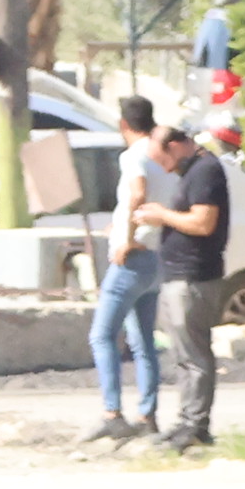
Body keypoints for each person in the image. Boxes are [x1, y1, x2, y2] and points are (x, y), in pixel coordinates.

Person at [130, 111, 233, 451]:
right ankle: (186, 422)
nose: (165, 168)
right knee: (182, 354)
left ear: (177, 146)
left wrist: (161, 215)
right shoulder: (193, 172)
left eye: (164, 160)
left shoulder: (206, 171)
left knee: (194, 355)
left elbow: (203, 223)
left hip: (195, 277)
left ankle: (195, 425)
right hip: (178, 275)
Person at [85, 91, 168, 443]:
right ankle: (147, 414)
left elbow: (137, 195)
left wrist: (126, 237)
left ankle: (112, 412)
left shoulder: (135, 155)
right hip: (159, 256)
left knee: (103, 335)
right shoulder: (163, 155)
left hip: (134, 258)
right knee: (143, 341)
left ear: (123, 125)